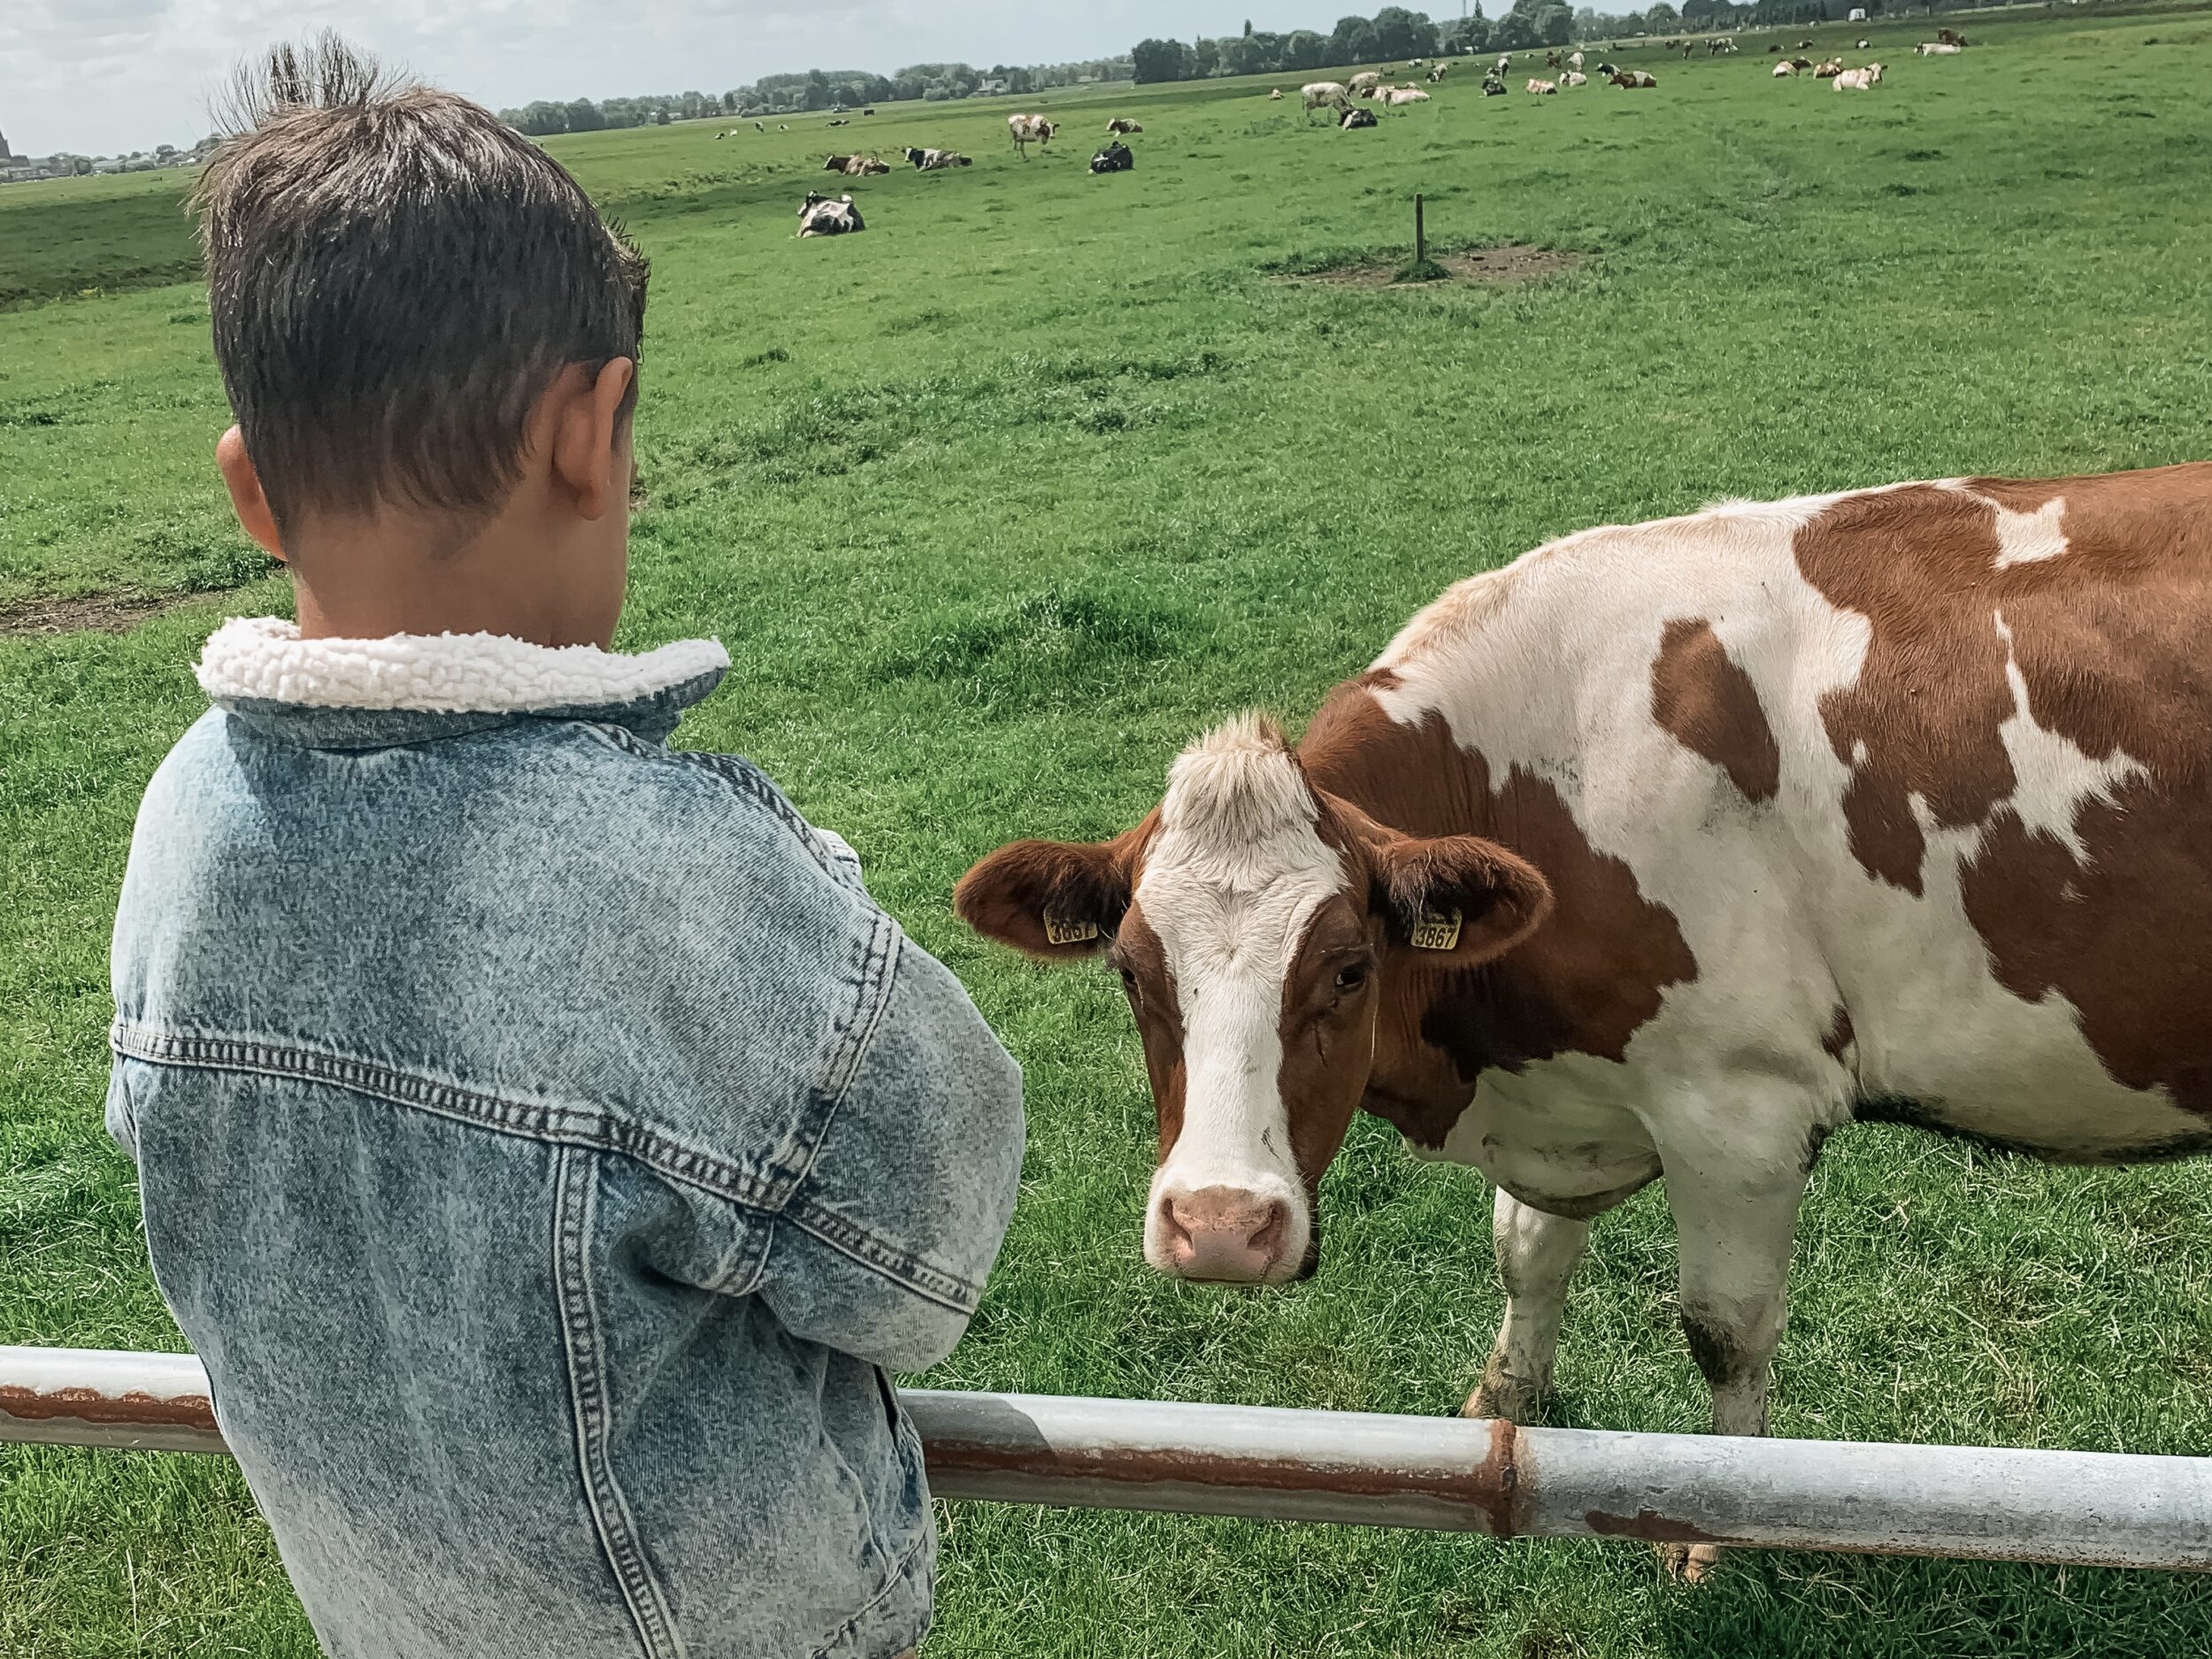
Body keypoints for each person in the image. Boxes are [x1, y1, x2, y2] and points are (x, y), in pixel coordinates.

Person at [105, 35, 1024, 1659]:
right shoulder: (687, 881)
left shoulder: (183, 818)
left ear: (252, 494)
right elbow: (919, 1268)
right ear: (591, 434)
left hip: (382, 1617)